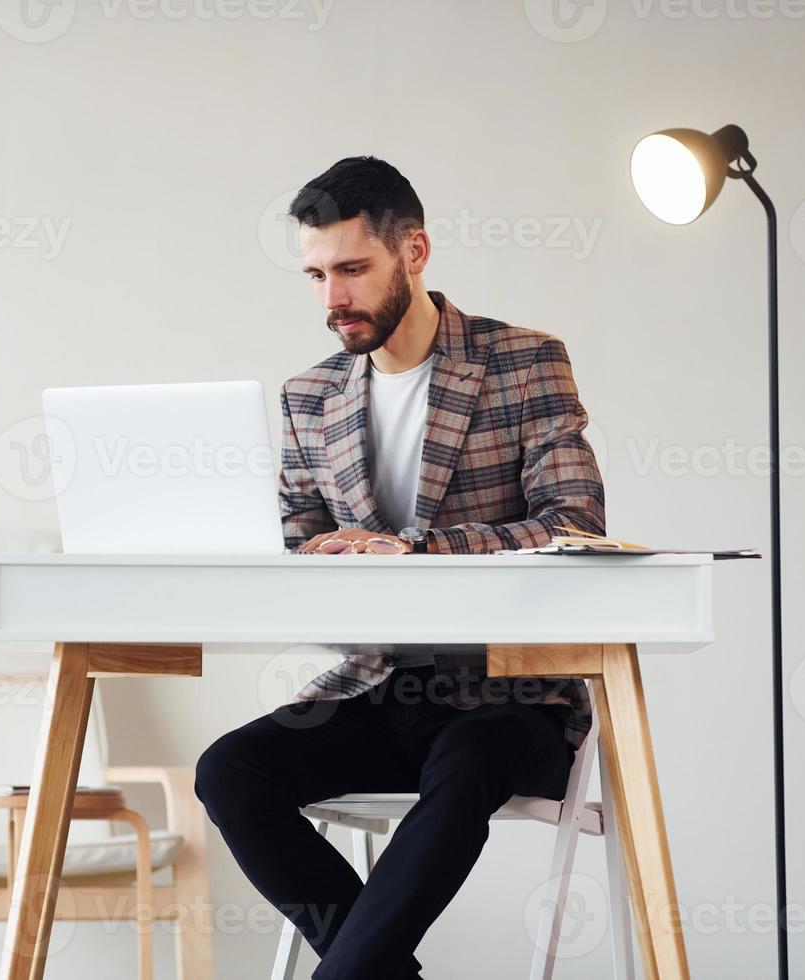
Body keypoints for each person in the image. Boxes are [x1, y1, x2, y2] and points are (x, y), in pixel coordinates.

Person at [194, 156, 606, 980]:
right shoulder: (309, 396)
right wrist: (307, 553)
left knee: (469, 755)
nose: (331, 298)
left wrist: (415, 551)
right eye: (315, 274)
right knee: (229, 771)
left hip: (509, 703)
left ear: (413, 253)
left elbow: (576, 525)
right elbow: (294, 535)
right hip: (379, 691)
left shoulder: (524, 363)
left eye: (351, 269)